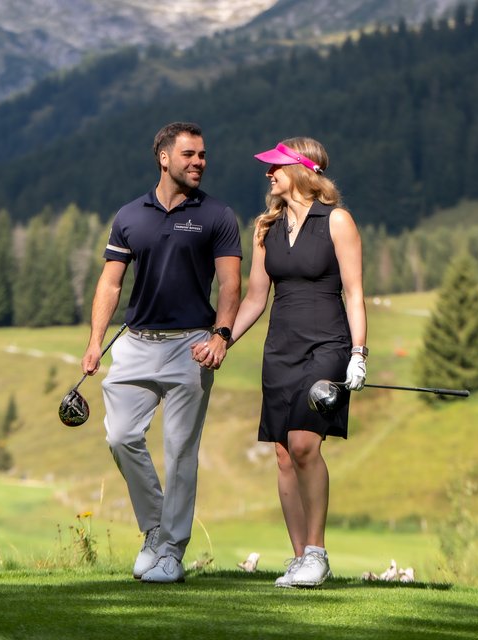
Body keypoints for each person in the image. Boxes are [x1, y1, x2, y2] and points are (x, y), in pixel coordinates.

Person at [81, 122, 242, 584]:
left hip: (190, 346)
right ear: (164, 158)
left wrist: (221, 335)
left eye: (204, 155)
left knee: (180, 451)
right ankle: (155, 530)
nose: (199, 162)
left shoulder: (217, 215)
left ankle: (171, 549)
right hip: (134, 345)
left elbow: (231, 283)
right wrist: (95, 342)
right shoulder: (130, 215)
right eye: (190, 154)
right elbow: (110, 283)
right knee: (120, 437)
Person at [211, 137, 367, 587]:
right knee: (282, 455)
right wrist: (223, 339)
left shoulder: (337, 221)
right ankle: (300, 559)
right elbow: (256, 298)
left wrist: (358, 353)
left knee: (303, 444)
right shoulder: (266, 228)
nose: (268, 173)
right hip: (281, 349)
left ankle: (317, 552)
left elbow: (354, 292)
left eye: (275, 165)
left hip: (328, 346)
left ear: (302, 169)